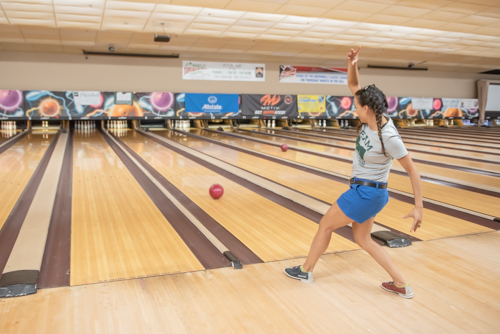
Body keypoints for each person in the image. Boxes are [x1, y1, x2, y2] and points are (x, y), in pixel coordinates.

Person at [284, 46, 423, 299]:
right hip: (370, 193)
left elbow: (413, 171)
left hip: (365, 194)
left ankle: (306, 270)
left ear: (367, 109)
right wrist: (353, 63)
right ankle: (401, 284)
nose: (353, 110)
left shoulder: (389, 137)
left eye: (356, 108)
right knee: (363, 239)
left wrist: (419, 206)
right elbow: (353, 83)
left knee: (325, 225)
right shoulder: (372, 119)